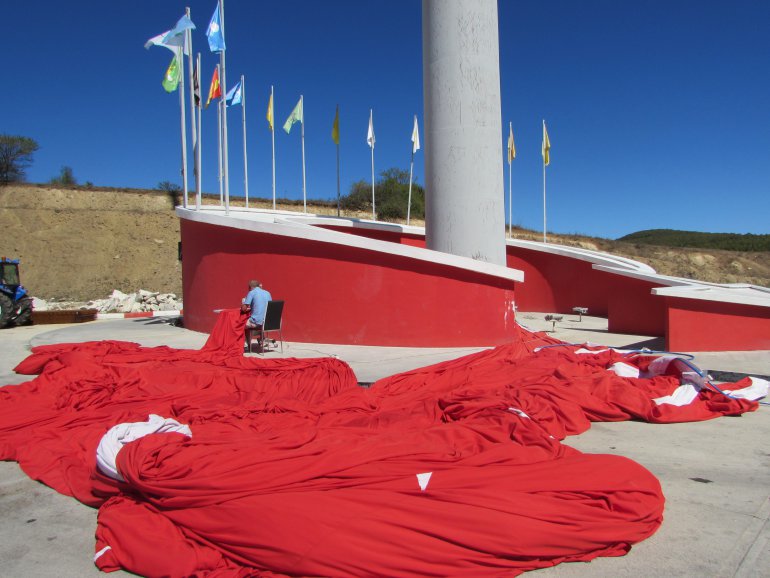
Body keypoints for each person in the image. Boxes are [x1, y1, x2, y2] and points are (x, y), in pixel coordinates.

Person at [241, 280, 272, 351]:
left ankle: (247, 345)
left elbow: (244, 309)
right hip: (267, 323)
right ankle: (262, 339)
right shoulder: (267, 293)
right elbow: (269, 307)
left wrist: (243, 303)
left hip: (256, 322)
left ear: (250, 287)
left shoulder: (251, 292)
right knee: (259, 319)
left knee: (241, 325)